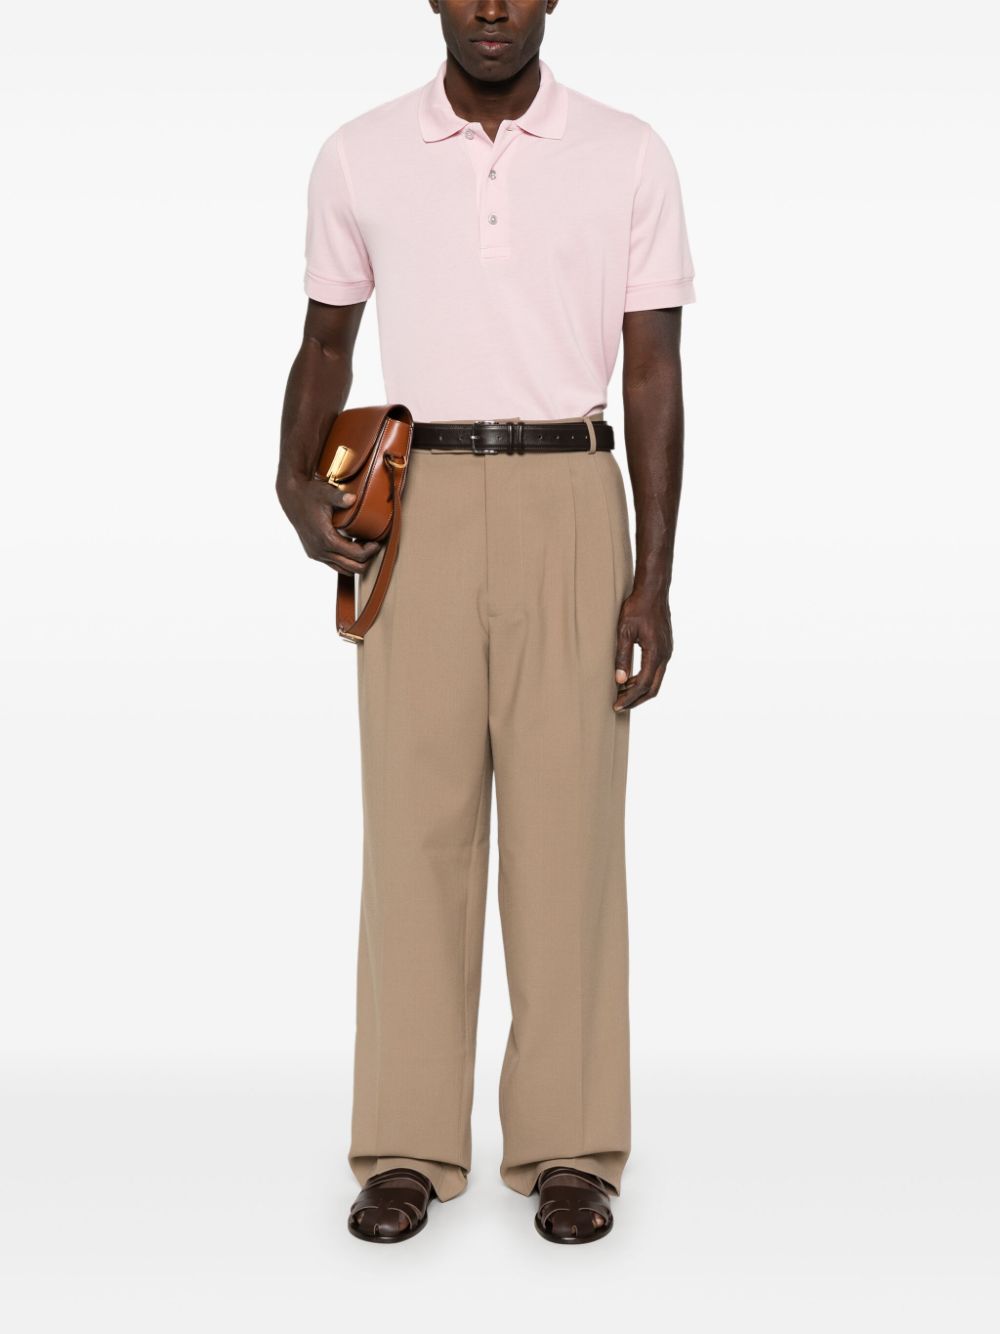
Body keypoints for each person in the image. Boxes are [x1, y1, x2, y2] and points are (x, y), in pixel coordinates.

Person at [276, 0, 695, 1245]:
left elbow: (654, 370)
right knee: (415, 829)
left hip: (573, 489)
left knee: (570, 835)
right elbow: (324, 342)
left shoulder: (627, 153)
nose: (493, 7)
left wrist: (652, 576)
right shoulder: (359, 153)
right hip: (418, 503)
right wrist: (292, 480)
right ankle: (404, 1145)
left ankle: (570, 1146)